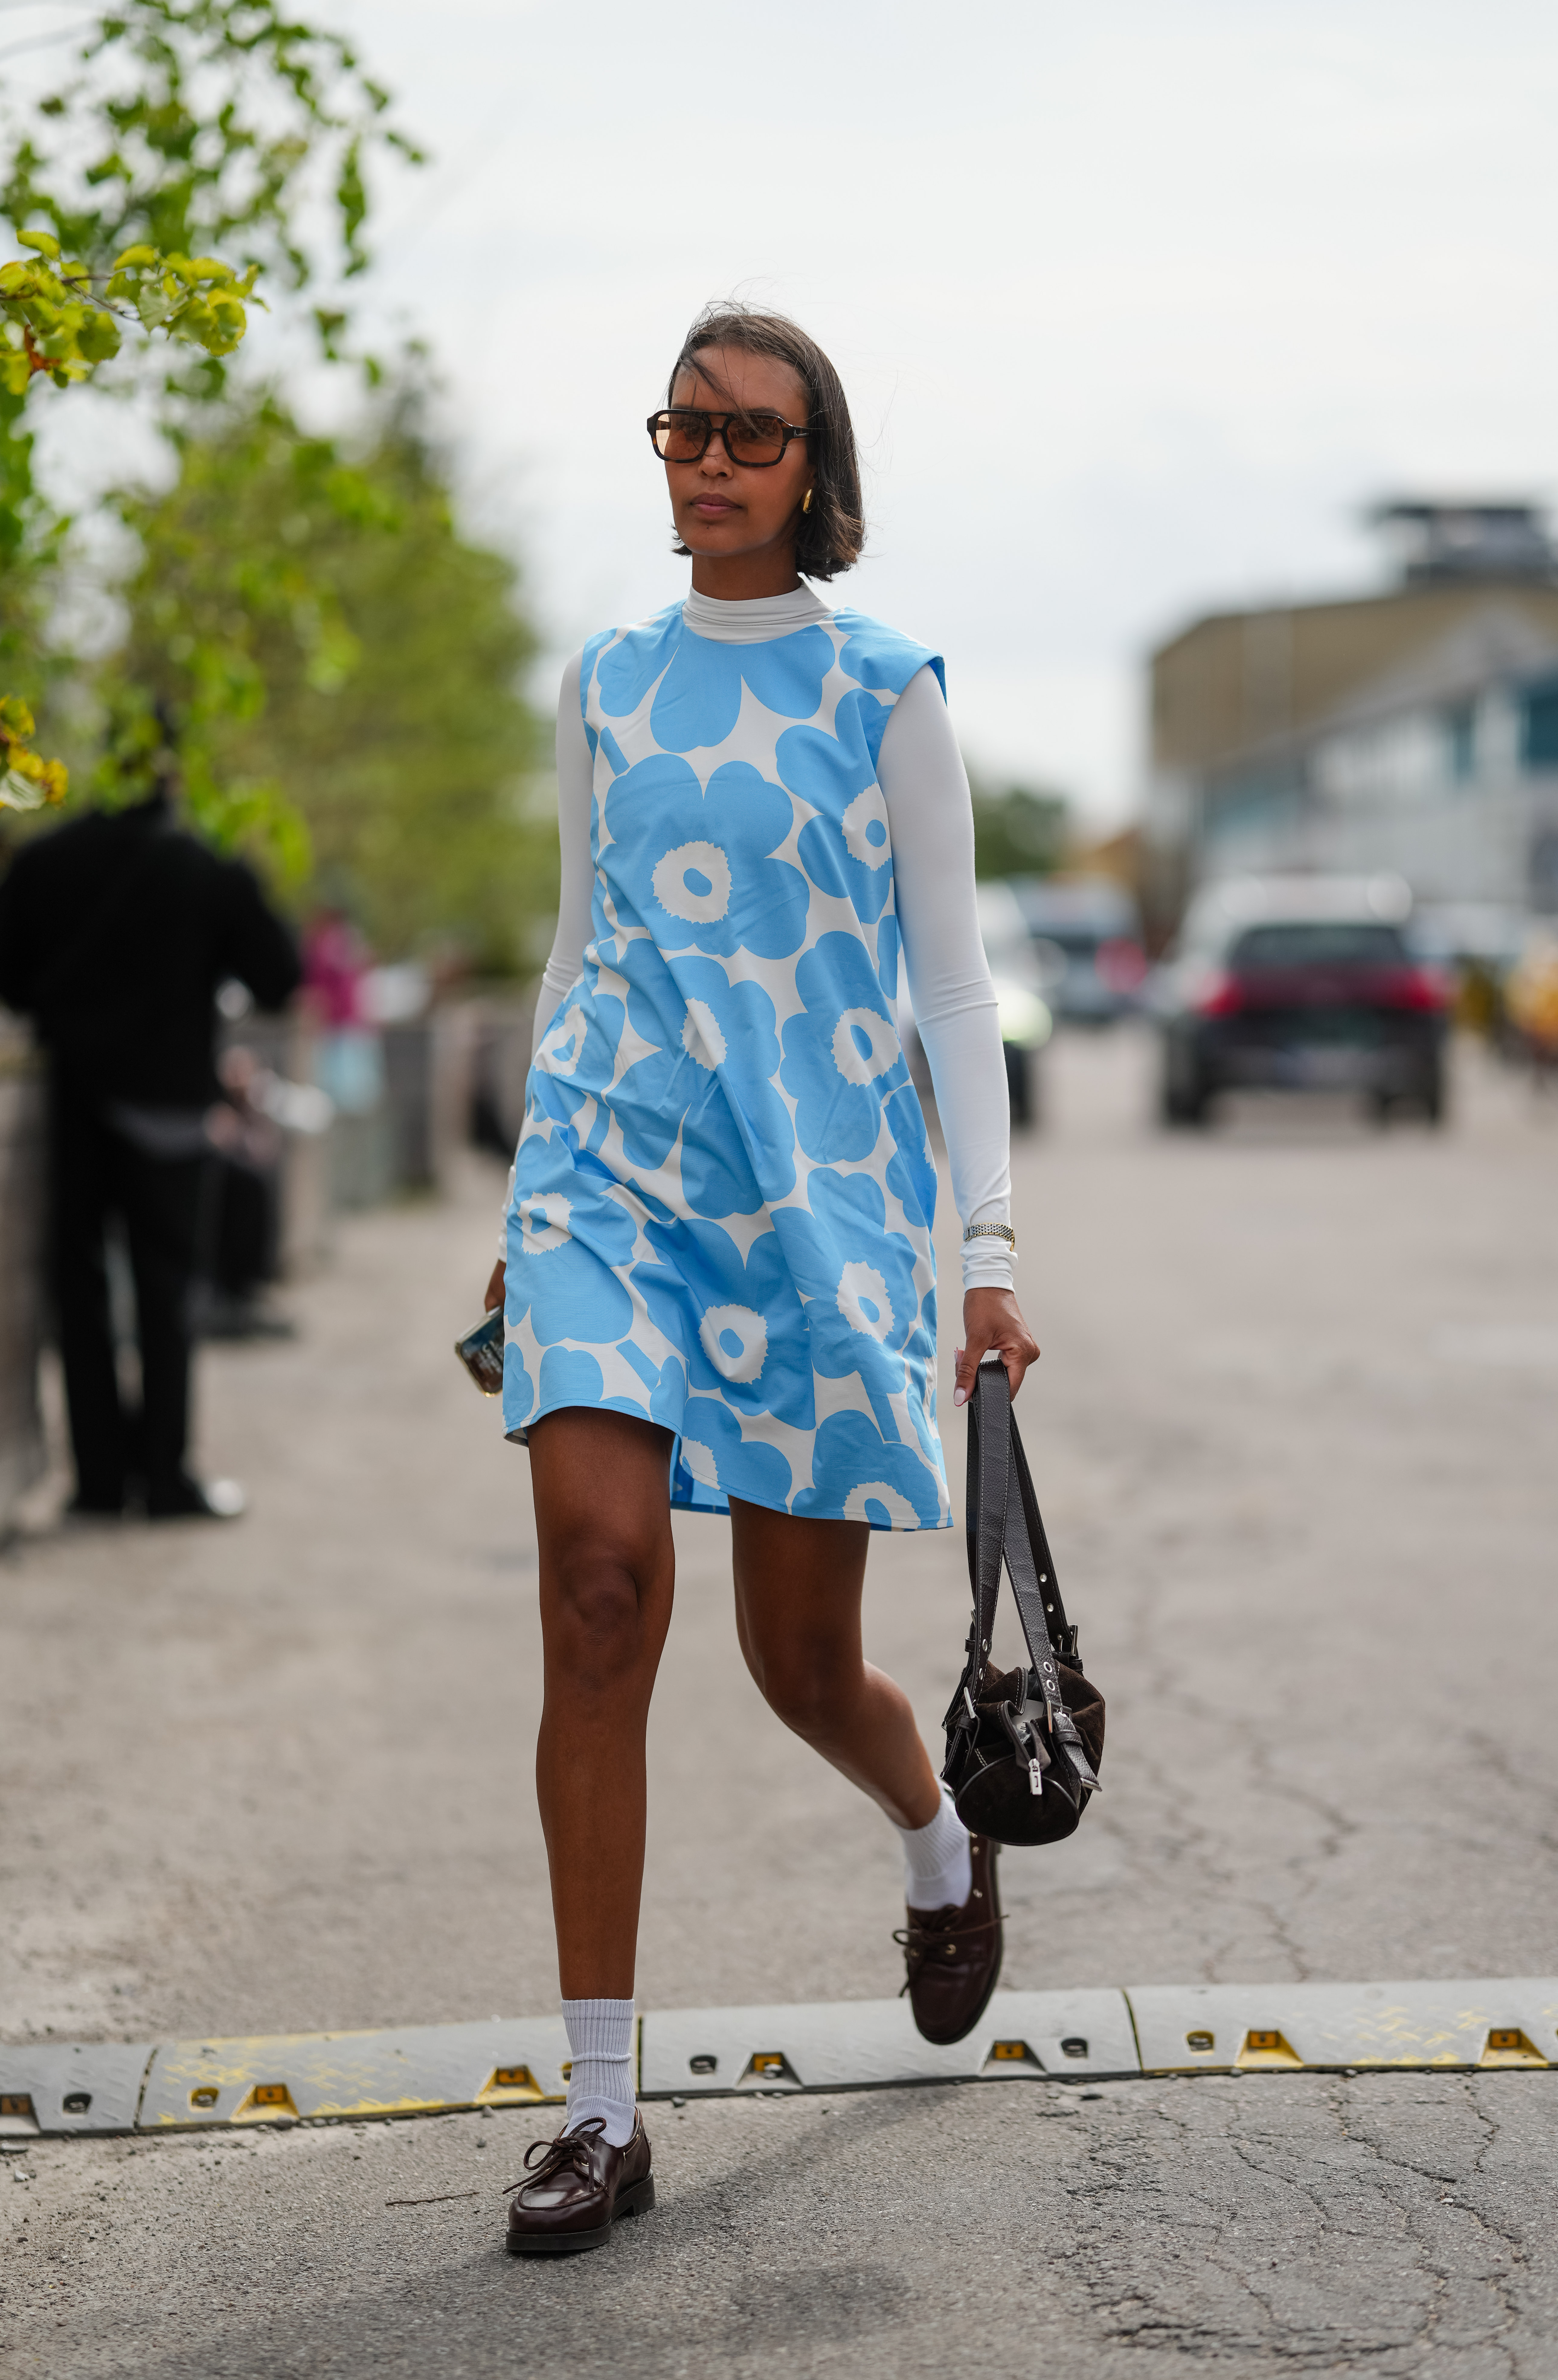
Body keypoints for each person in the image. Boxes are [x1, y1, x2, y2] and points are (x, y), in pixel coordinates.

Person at [486, 304, 1039, 2256]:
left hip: (809, 1202)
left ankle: (936, 1836)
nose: (707, 457)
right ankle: (603, 2114)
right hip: (608, 1173)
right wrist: (524, 1203)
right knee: (597, 1587)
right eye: (681, 425)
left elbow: (955, 989)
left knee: (797, 1663)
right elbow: (574, 948)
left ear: (815, 470)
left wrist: (984, 1253)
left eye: (748, 431)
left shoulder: (883, 689)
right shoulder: (608, 683)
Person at [0, 744, 300, 1518]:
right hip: (168, 1112)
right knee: (168, 1290)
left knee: (82, 1290)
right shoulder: (202, 866)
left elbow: (11, 976)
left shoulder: (48, 863)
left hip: (73, 1103)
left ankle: (99, 1482)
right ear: (173, 775)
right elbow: (278, 974)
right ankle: (167, 1477)